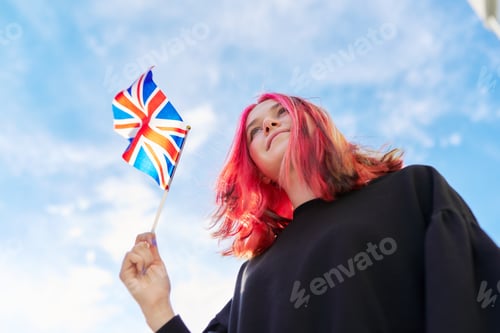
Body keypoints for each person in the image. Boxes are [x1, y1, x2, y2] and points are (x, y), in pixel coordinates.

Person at [120, 93, 500, 332]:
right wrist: (157, 307)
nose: (267, 124)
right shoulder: (254, 276)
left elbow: (473, 293)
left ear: (313, 123)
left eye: (280, 113)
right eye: (254, 131)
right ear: (255, 167)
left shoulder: (413, 191)